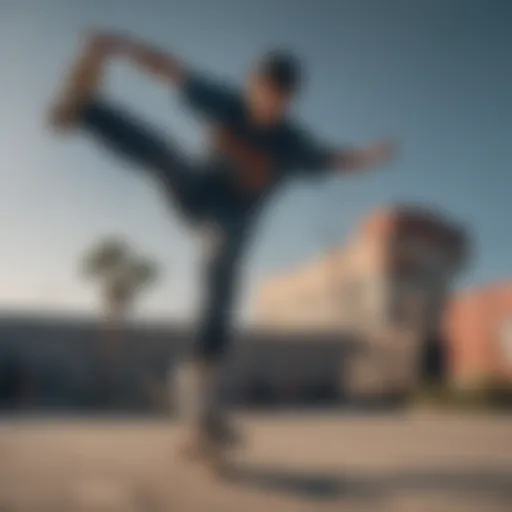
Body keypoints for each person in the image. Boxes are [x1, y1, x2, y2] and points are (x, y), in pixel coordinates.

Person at [48, 30, 396, 458]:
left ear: (290, 101)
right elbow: (171, 70)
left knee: (224, 260)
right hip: (197, 192)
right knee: (166, 156)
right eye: (264, 93)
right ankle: (85, 111)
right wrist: (119, 46)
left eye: (280, 100)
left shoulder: (292, 144)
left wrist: (369, 156)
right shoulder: (226, 102)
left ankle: (200, 386)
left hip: (232, 222)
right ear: (252, 85)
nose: (269, 106)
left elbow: (335, 161)